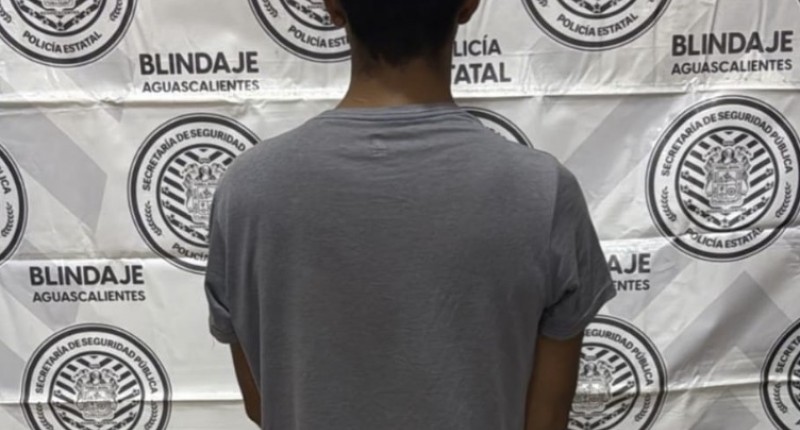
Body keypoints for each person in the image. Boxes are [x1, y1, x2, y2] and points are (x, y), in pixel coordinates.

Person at [203, 0, 616, 428]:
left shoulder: (246, 191)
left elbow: (265, 403)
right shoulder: (544, 192)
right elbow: (546, 418)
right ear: (468, 6)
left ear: (332, 7)